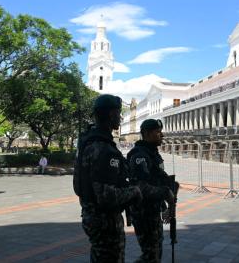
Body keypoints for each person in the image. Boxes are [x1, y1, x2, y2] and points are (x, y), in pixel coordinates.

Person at [73, 94, 143, 262]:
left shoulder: (90, 142)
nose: (119, 117)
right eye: (118, 113)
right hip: (105, 221)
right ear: (111, 114)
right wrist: (134, 192)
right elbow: (106, 195)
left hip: (94, 217)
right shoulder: (103, 148)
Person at [127, 119, 177, 263]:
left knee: (155, 252)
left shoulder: (152, 154)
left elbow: (158, 181)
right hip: (143, 213)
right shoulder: (139, 156)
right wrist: (166, 193)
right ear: (147, 134)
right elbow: (141, 187)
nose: (162, 135)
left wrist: (164, 207)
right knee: (150, 255)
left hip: (153, 211)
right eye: (158, 132)